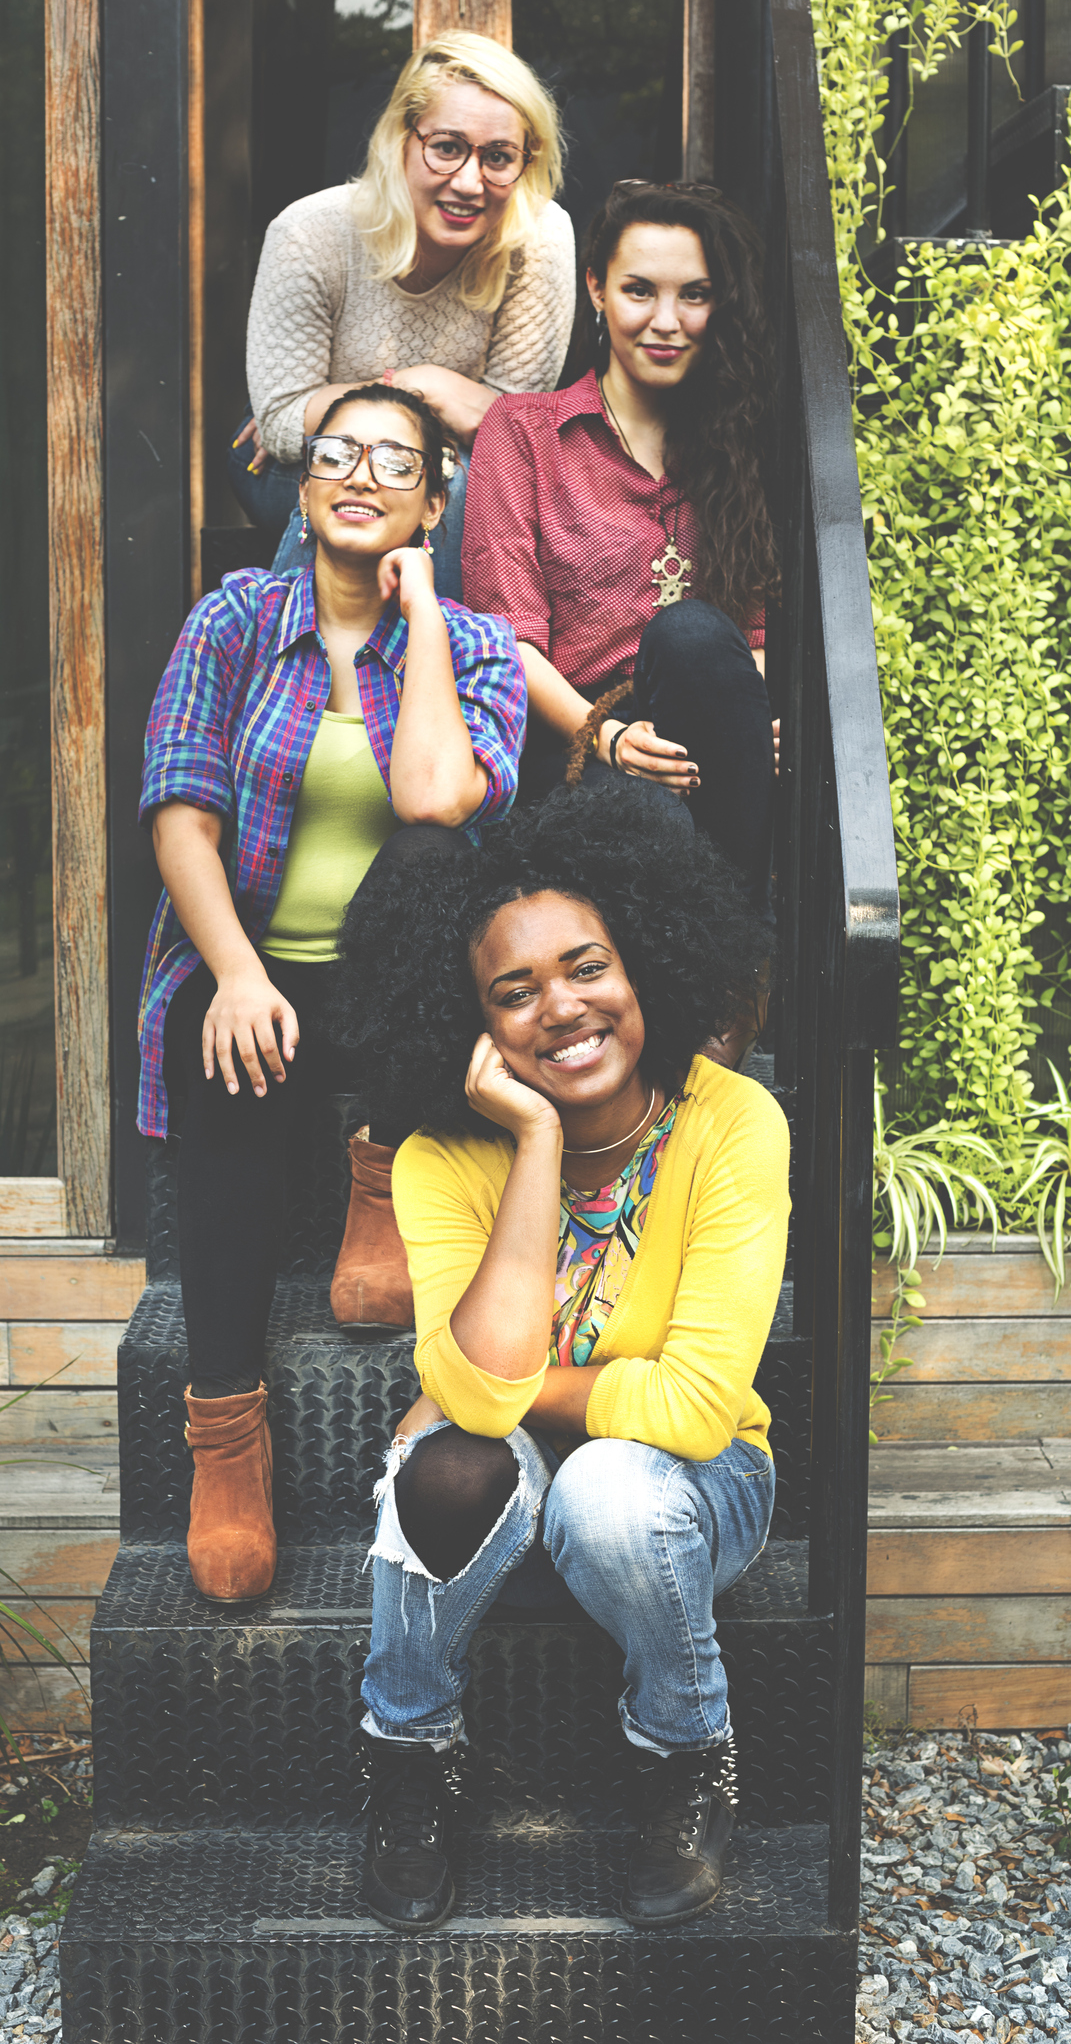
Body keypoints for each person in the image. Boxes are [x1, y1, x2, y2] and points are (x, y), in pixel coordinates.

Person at [332, 785, 789, 1932]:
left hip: (696, 1486)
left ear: (643, 963)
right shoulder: (445, 1159)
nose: (562, 1008)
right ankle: (409, 1752)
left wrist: (474, 1394)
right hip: (526, 1470)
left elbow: (692, 1406)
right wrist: (535, 1139)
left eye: (587, 966)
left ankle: (686, 1751)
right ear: (471, 1023)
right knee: (444, 1469)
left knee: (610, 1489)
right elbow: (481, 1400)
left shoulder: (733, 1123)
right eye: (513, 990)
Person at [138, 384, 526, 1604]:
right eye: (337, 454)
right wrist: (239, 973)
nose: (360, 474)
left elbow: (432, 802)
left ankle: (380, 1168)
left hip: (397, 986)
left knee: (422, 864)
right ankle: (226, 1439)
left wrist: (413, 611)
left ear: (432, 496)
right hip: (258, 968)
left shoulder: (471, 645)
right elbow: (183, 814)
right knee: (225, 1051)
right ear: (302, 489)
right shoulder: (234, 619)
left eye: (393, 460)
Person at [462, 180, 778, 928]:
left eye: (693, 295)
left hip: (701, 728)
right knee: (647, 816)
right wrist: (607, 739)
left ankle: (734, 977)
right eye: (640, 290)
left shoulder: (737, 439)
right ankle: (734, 972)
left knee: (695, 634)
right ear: (597, 290)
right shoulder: (525, 433)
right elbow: (508, 640)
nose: (666, 321)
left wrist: (750, 717)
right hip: (575, 742)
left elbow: (754, 633)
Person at [232, 30, 573, 600]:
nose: (469, 181)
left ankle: (416, 675)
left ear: (526, 160)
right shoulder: (311, 232)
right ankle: (311, 674)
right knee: (385, 474)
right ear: (401, 140)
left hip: (443, 465)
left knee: (446, 479)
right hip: (288, 461)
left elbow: (513, 434)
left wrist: (355, 403)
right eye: (446, 147)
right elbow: (286, 423)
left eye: (498, 157)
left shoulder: (539, 237)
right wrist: (418, 389)